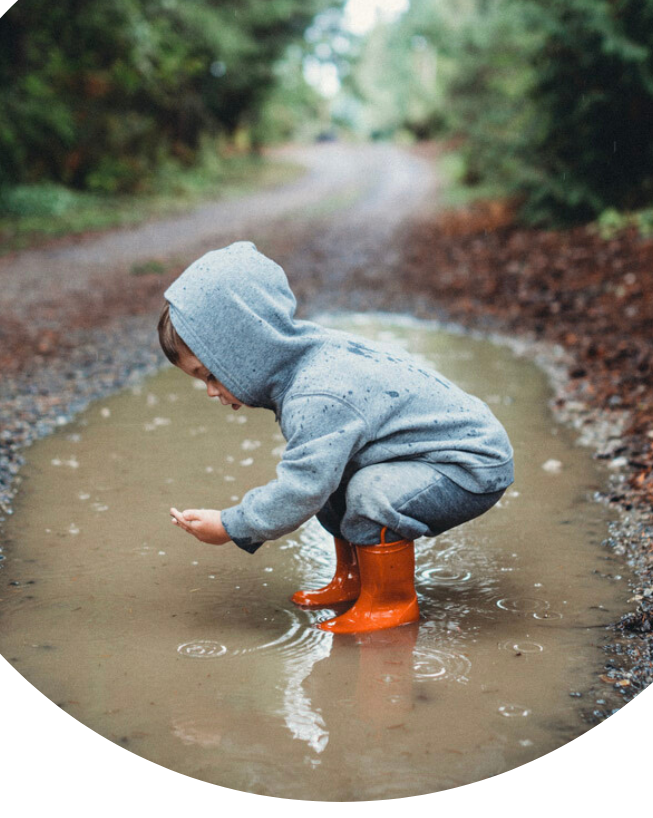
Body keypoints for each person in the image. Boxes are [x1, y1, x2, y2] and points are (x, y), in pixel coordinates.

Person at [159, 242, 514, 633]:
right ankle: (354, 580)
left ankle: (390, 602)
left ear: (246, 350)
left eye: (211, 374)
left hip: (469, 463)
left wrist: (231, 525)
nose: (211, 391)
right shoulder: (300, 360)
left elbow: (301, 490)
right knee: (336, 474)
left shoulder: (315, 393)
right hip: (427, 454)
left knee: (368, 490)